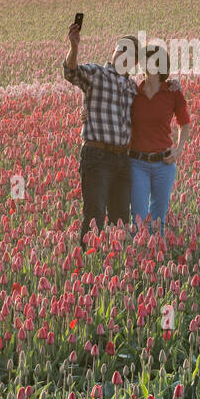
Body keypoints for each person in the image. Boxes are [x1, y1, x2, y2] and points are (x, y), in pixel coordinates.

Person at [64, 23, 138, 243]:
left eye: (129, 52)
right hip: (98, 157)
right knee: (94, 215)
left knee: (121, 220)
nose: (122, 54)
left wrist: (171, 85)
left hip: (123, 159)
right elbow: (71, 72)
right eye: (120, 48)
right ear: (113, 51)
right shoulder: (98, 74)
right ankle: (87, 267)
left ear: (134, 61)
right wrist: (74, 47)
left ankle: (116, 267)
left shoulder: (134, 88)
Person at [128, 44, 191, 234]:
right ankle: (139, 259)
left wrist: (178, 149)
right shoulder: (132, 91)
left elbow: (184, 123)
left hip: (164, 162)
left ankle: (156, 257)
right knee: (138, 219)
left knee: (158, 220)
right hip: (137, 162)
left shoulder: (172, 92)